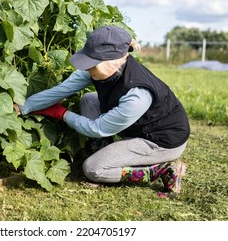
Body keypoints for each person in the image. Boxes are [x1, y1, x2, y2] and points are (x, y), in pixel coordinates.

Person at [14, 25, 190, 197]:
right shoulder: (100, 69)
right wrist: (24, 107)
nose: (87, 68)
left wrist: (61, 113)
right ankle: (105, 151)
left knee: (93, 169)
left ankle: (161, 169)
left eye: (92, 65)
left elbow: (98, 128)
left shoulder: (137, 95)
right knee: (89, 100)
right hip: (139, 126)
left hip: (160, 141)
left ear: (111, 63)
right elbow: (61, 90)